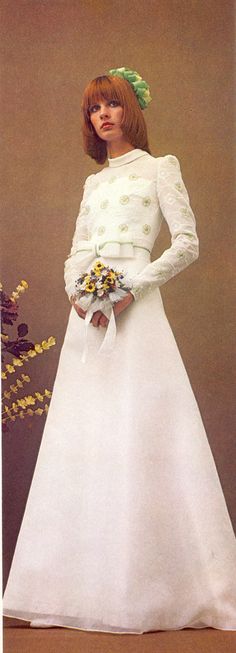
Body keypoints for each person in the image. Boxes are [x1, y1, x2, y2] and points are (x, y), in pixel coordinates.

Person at [3, 68, 236, 635]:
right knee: (86, 436)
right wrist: (79, 295)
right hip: (88, 313)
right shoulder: (94, 183)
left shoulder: (161, 169)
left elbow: (187, 242)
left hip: (136, 306)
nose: (103, 115)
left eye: (112, 104)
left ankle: (155, 588)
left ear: (132, 110)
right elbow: (76, 250)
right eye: (93, 109)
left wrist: (131, 288)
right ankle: (70, 586)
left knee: (143, 427)